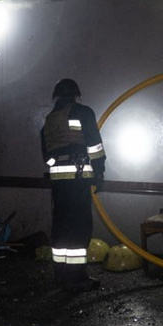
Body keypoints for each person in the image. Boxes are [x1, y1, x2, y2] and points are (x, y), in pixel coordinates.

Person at [40, 78, 106, 292]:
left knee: (61, 228)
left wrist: (59, 164)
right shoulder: (84, 112)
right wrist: (99, 172)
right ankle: (77, 278)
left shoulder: (50, 120)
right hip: (78, 181)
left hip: (58, 184)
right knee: (79, 228)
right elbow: (95, 145)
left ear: (57, 96)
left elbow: (47, 156)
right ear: (76, 94)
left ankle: (61, 275)